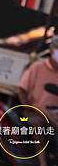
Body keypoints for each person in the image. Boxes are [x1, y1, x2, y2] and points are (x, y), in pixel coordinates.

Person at [18, 35, 58, 166]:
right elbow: (22, 89)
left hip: (55, 113)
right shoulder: (37, 67)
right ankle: (42, 162)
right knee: (37, 125)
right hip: (36, 111)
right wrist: (28, 108)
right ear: (51, 50)